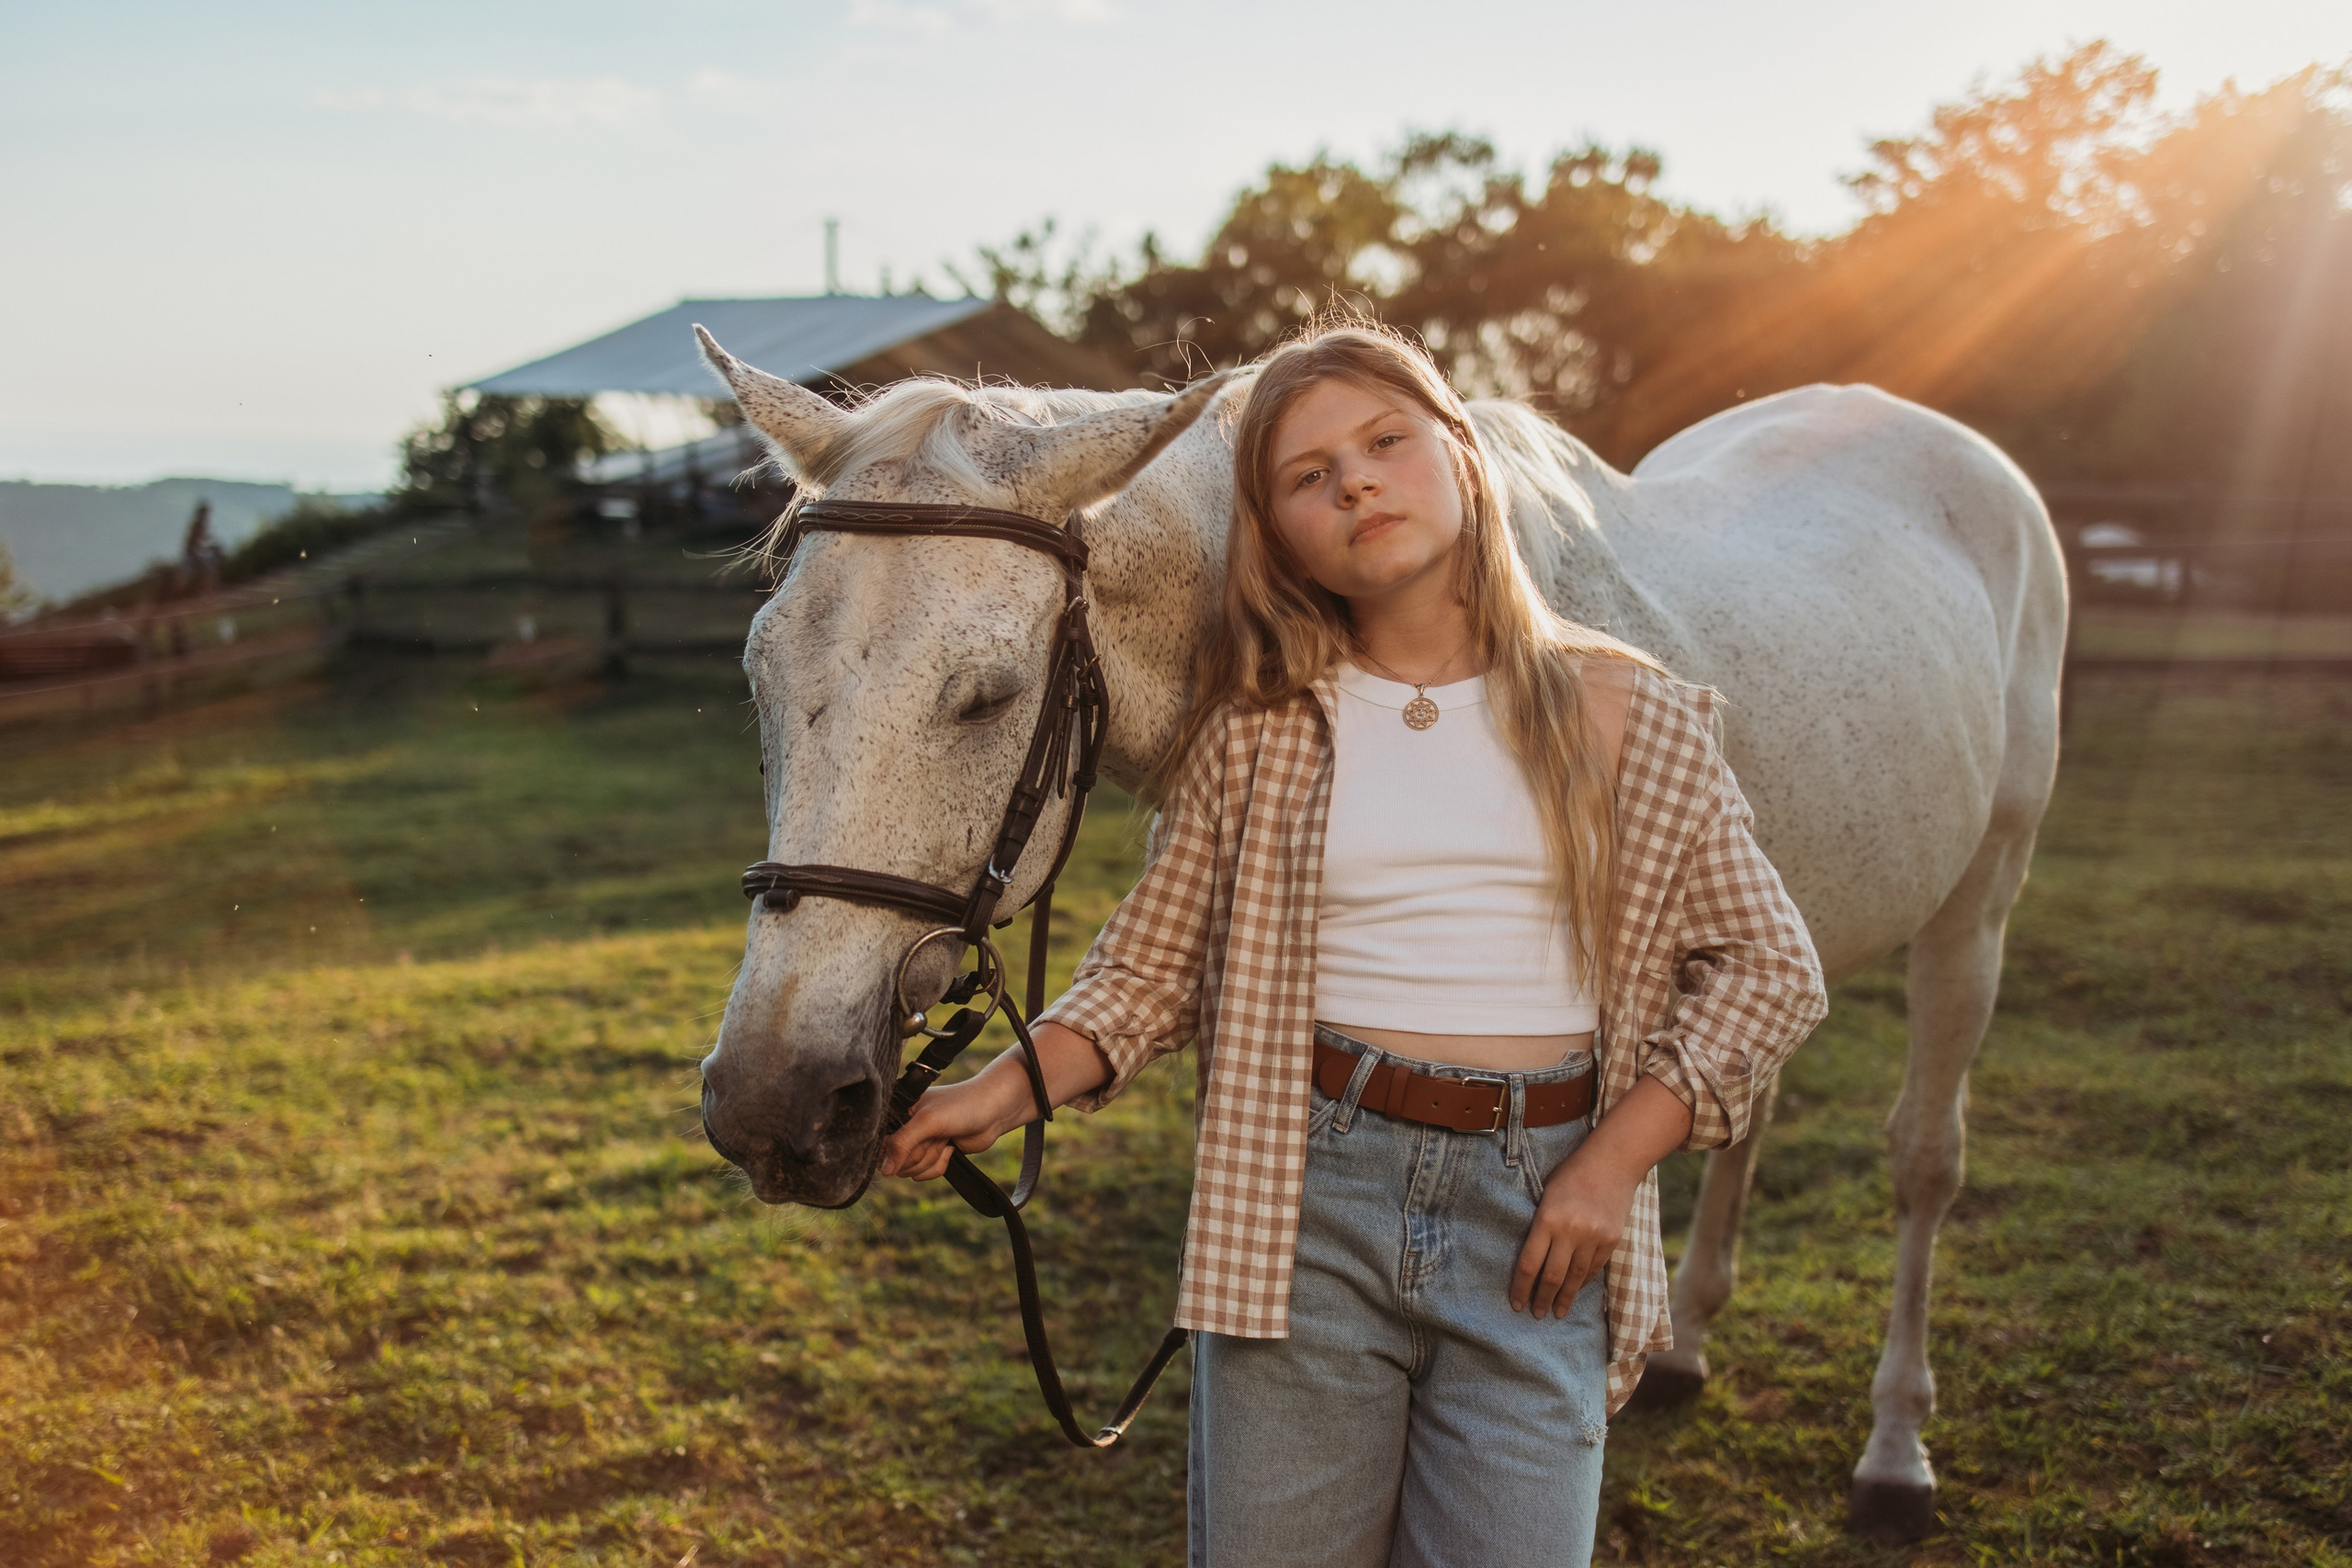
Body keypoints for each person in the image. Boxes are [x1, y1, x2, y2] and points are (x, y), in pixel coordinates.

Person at [883, 321, 1827, 1567]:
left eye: (1386, 442)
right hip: (1305, 1197)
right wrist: (996, 1094)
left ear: (1466, 459)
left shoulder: (1626, 714)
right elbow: (1153, 973)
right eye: (1307, 474)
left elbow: (1771, 969)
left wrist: (1609, 1168)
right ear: (1274, 534)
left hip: (1542, 1208)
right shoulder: (1261, 733)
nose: (1356, 482)